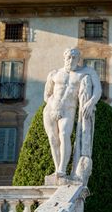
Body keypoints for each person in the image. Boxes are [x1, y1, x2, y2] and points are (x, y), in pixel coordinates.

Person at [43, 48, 101, 182]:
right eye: (69, 57)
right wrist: (54, 105)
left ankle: (62, 169)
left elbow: (97, 89)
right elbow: (47, 94)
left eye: (74, 57)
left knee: (64, 135)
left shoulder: (86, 72)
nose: (71, 60)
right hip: (51, 109)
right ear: (64, 58)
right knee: (53, 139)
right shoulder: (55, 73)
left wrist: (91, 102)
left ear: (78, 59)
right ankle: (57, 169)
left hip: (69, 109)